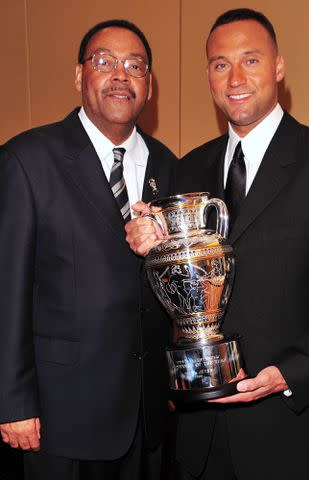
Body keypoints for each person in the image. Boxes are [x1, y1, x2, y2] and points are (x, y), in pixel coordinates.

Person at [125, 8, 309, 480]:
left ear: (278, 67)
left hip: (293, 435)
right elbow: (170, 294)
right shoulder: (185, 171)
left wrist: (286, 374)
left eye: (250, 60)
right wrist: (146, 248)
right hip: (199, 437)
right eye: (219, 63)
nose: (234, 77)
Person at [0, 19, 176, 480]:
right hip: (62, 414)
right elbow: (7, 290)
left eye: (135, 65)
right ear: (80, 76)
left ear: (149, 85)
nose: (121, 75)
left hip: (146, 412)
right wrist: (13, 401)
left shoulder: (171, 168)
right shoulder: (27, 160)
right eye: (105, 61)